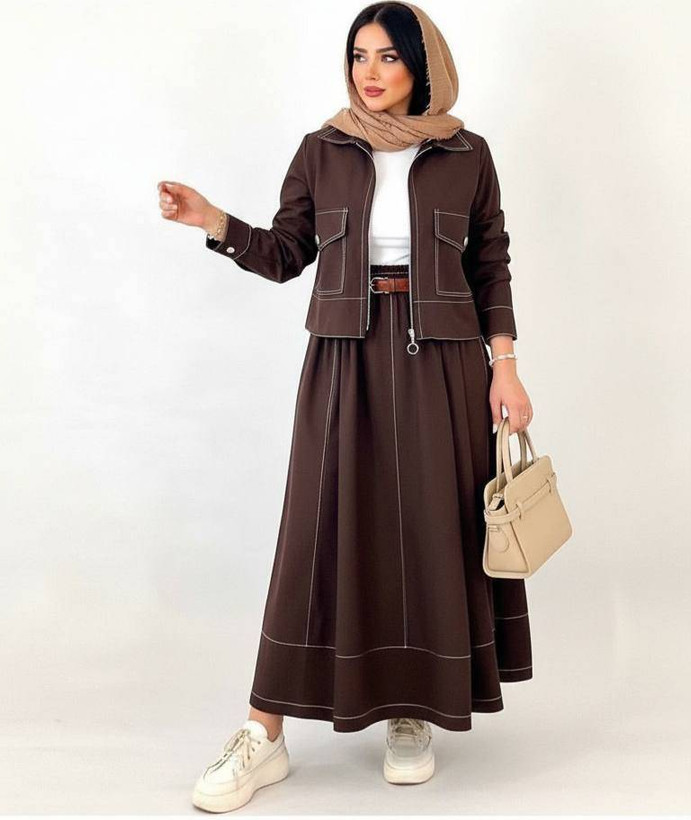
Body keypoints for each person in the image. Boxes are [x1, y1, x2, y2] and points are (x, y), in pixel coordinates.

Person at [158, 1, 534, 811]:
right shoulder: (321, 149)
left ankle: (412, 707)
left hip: (442, 358)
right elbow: (286, 252)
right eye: (359, 54)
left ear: (421, 67)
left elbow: (490, 264)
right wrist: (215, 222)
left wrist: (504, 367)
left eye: (388, 56)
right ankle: (263, 733)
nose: (369, 71)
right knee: (318, 530)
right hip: (343, 353)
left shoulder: (465, 153)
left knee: (429, 527)